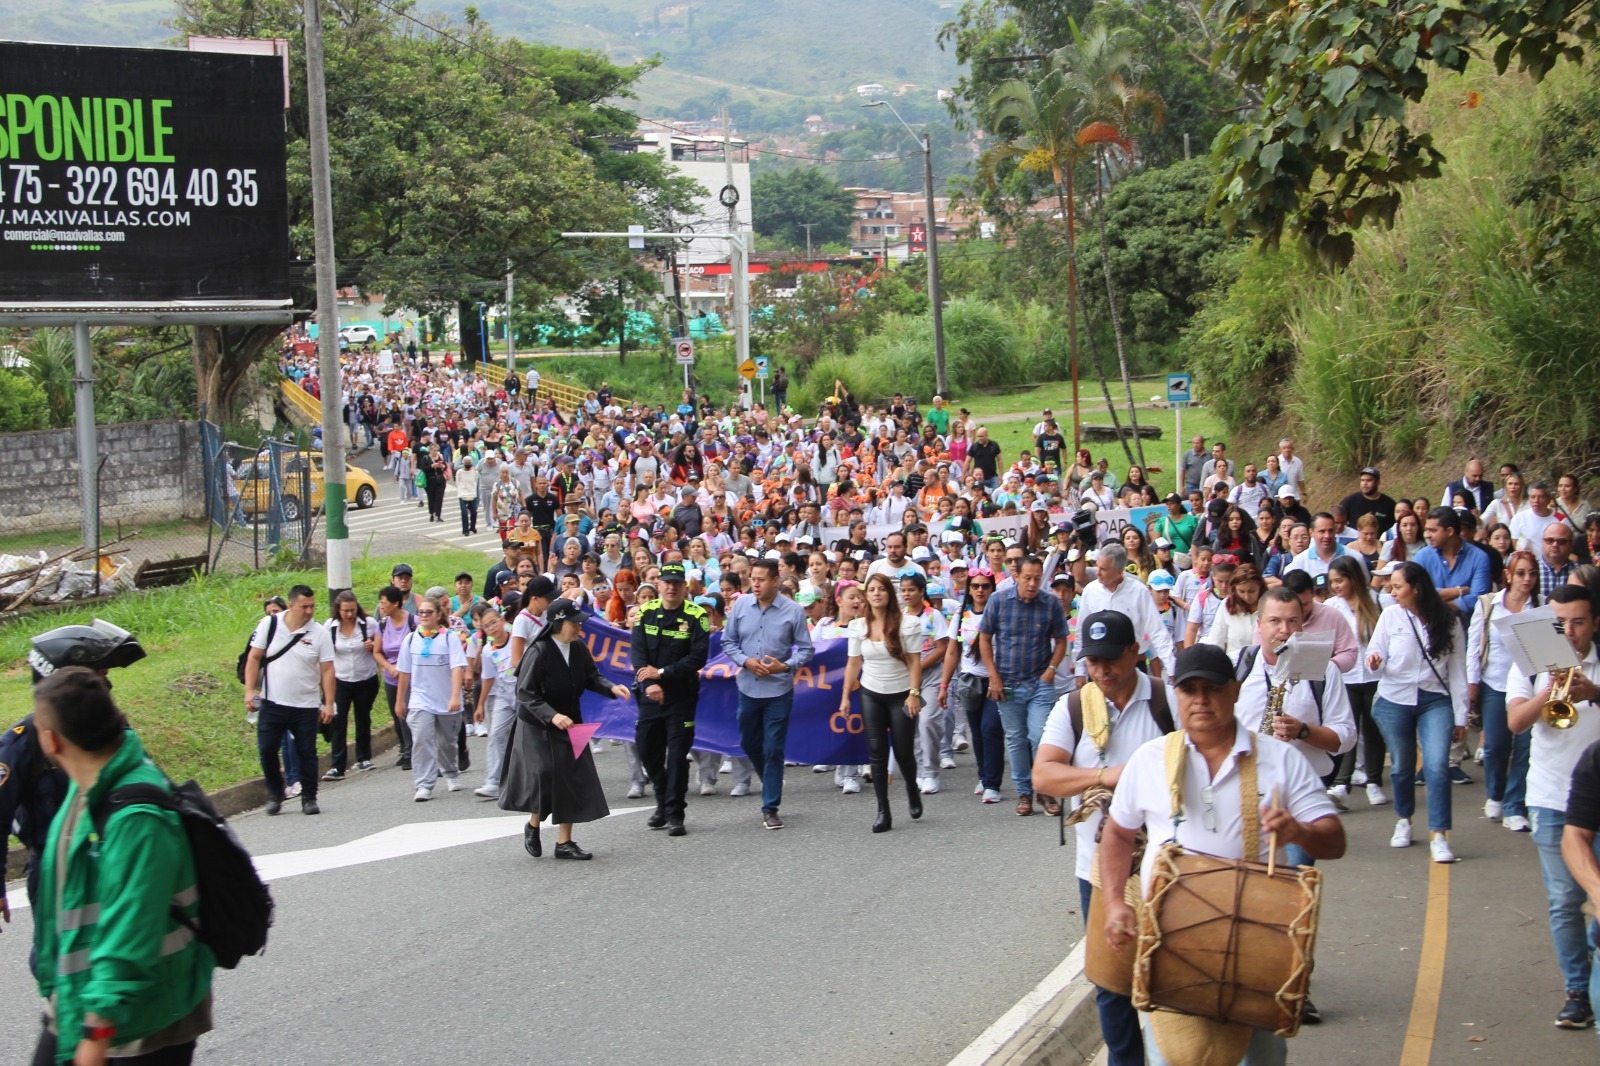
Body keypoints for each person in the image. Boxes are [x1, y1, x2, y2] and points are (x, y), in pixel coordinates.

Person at [1098, 643, 1345, 1066]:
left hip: (1257, 943)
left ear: (1234, 691)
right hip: (1170, 941)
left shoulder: (1280, 759)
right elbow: (1118, 835)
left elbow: (1334, 840)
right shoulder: (1150, 760)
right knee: (1176, 1057)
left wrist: (1297, 830)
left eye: (1211, 688)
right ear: (1177, 695)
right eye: (1189, 689)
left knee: (1258, 1059)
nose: (1200, 699)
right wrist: (1114, 903)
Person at [28, 668, 217, 1065]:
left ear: (51, 740)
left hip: (143, 1022)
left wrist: (96, 1031)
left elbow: (132, 927)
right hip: (80, 1001)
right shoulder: (85, 790)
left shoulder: (137, 817)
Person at [1034, 610, 1176, 1066]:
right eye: (1093, 661)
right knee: (1110, 983)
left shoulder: (1167, 701)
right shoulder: (1074, 707)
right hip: (1096, 869)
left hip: (1165, 865)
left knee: (1168, 972)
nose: (1102, 670)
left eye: (1111, 659)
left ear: (1136, 651)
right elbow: (1044, 774)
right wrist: (1106, 776)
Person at [2, 622, 146, 948]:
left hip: (113, 859)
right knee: (60, 959)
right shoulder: (22, 744)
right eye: (98, 680)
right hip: (58, 868)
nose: (105, 690)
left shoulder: (115, 734)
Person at [1508, 584, 1600, 1029]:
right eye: (1560, 622)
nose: (1569, 631)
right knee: (1565, 901)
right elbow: (1515, 722)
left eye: (1579, 622)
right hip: (1551, 797)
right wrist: (1551, 689)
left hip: (1596, 797)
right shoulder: (1530, 660)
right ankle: (1578, 989)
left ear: (1595, 623)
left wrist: (1594, 690)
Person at [1234, 588, 1356, 871]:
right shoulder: (1237, 665)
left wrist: (1303, 731)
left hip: (1300, 792)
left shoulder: (1324, 669)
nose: (1284, 630)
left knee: (1289, 883)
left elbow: (1346, 737)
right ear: (1259, 624)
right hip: (1245, 790)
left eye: (1293, 621)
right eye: (1275, 621)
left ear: (1303, 625)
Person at [500, 599, 632, 860]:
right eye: (575, 622)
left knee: (571, 777)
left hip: (571, 719)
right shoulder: (539, 652)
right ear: (559, 623)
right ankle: (533, 825)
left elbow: (592, 676)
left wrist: (611, 687)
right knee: (544, 773)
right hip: (536, 724)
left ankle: (564, 843)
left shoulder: (579, 647)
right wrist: (552, 715)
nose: (580, 627)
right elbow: (525, 693)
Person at [1366, 562, 1470, 863]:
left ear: (1416, 588)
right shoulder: (1390, 615)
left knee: (1437, 764)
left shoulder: (1449, 621)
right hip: (1393, 698)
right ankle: (1404, 819)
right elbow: (1376, 652)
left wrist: (1461, 715)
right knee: (1401, 765)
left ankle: (1439, 834)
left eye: (1397, 586)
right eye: (1391, 586)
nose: (1392, 590)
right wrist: (1375, 660)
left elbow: (1458, 671)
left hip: (1433, 699)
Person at [721, 558, 816, 830]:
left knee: (774, 747)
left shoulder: (793, 611)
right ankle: (770, 779)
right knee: (749, 742)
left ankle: (770, 807)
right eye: (753, 578)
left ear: (776, 580)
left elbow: (806, 649)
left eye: (762, 579)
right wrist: (745, 661)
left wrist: (785, 666)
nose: (756, 584)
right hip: (748, 687)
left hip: (779, 689)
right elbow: (728, 641)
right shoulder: (740, 605)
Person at [979, 555, 1070, 817]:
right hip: (1006, 681)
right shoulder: (998, 600)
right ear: (1016, 576)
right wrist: (993, 677)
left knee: (1040, 736)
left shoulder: (1050, 603)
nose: (1032, 584)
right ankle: (1024, 792)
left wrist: (1051, 670)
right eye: (1027, 577)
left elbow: (1062, 640)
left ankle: (1045, 789)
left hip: (1039, 681)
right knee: (1016, 739)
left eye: (1037, 578)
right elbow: (984, 639)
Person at [840, 574, 929, 832]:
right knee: (876, 754)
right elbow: (853, 663)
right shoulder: (858, 626)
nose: (876, 593)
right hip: (871, 693)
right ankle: (883, 811)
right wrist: (846, 695)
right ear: (866, 595)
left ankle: (912, 788)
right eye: (872, 590)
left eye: (882, 589)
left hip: (901, 693)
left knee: (903, 752)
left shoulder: (907, 624)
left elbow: (914, 661)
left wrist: (914, 693)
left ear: (890, 594)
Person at [631, 562, 712, 836]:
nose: (671, 586)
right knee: (645, 750)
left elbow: (697, 658)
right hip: (650, 697)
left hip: (681, 697)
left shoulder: (697, 616)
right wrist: (651, 683)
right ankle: (663, 800)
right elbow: (638, 654)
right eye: (667, 581)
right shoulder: (645, 612)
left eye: (677, 582)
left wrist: (662, 674)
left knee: (677, 756)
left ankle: (675, 813)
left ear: (684, 586)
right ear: (659, 584)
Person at [242, 585, 335, 816]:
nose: (309, 611)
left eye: (312, 606)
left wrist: (329, 702)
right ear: (291, 605)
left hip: (305, 705)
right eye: (304, 606)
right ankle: (275, 793)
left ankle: (309, 797)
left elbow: (327, 671)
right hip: (273, 701)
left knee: (307, 752)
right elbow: (254, 657)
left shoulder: (319, 634)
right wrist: (249, 689)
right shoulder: (269, 625)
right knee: (267, 749)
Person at [1467, 550, 1539, 832]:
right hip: (1496, 683)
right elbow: (1475, 645)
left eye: (1532, 573)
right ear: (1509, 574)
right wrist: (1472, 684)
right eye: (1521, 573)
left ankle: (1514, 804)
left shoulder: (1541, 606)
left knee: (1524, 747)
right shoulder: (1489, 605)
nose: (1526, 579)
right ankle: (1495, 792)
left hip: (1529, 686)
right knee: (1496, 745)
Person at [1326, 555, 1390, 809]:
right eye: (1332, 582)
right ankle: (1342, 782)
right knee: (1347, 729)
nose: (1336, 586)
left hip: (1374, 676)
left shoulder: (1376, 601)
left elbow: (1385, 638)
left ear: (1353, 578)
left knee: (1374, 730)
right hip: (1346, 677)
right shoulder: (1332, 607)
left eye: (1340, 580)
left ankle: (1374, 780)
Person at [940, 566, 1006, 803]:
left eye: (985, 586)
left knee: (991, 729)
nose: (980, 590)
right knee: (977, 732)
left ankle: (992, 783)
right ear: (969, 588)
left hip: (995, 679)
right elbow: (951, 651)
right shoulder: (960, 614)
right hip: (969, 680)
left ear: (992, 589)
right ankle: (983, 775)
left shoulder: (1000, 611)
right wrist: (944, 685)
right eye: (975, 586)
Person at [395, 597, 469, 802]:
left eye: (429, 612)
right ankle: (424, 783)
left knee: (447, 743)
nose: (424, 615)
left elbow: (457, 668)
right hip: (420, 700)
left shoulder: (449, 638)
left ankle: (451, 772)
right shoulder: (410, 640)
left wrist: (455, 695)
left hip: (446, 701)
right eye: (421, 612)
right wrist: (400, 700)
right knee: (421, 739)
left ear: (438, 615)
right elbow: (404, 672)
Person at [1077, 544, 1177, 677]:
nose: (1097, 573)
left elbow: (1157, 631)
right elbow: (1081, 632)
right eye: (1097, 566)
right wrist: (1080, 671)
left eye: (1103, 569)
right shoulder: (1090, 591)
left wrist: (1171, 669)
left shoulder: (1138, 591)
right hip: (1099, 668)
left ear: (1119, 571)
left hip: (1133, 666)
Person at [324, 591, 379, 779]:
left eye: (352, 610)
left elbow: (382, 647)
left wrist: (373, 647)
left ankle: (364, 757)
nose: (349, 614)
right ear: (338, 610)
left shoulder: (369, 624)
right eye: (345, 611)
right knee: (339, 721)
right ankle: (337, 765)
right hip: (341, 679)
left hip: (365, 678)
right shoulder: (330, 628)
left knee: (362, 717)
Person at [471, 603, 516, 801]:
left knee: (531, 736)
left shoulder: (517, 639)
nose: (492, 628)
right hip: (503, 695)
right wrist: (480, 705)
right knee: (496, 733)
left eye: (494, 622)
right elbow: (487, 679)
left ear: (503, 620)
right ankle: (493, 781)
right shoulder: (489, 650)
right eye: (487, 626)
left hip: (525, 691)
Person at [1412, 506, 1492, 618]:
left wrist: (1435, 603)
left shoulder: (1479, 558)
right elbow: (1417, 593)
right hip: (1431, 627)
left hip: (1468, 629)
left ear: (1449, 531)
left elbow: (1478, 600)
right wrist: (1458, 591)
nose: (1427, 535)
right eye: (1426, 530)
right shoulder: (1422, 556)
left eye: (1433, 530)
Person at [373, 585, 416, 770]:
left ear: (395, 603)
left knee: (410, 713)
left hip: (411, 677)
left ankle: (413, 752)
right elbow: (377, 652)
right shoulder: (382, 625)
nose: (381, 606)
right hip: (392, 677)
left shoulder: (413, 622)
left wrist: (405, 668)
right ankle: (406, 749)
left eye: (384, 602)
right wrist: (389, 667)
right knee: (397, 715)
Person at [1340, 466, 1398, 534]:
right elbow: (1337, 519)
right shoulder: (1350, 501)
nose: (1365, 483)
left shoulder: (1389, 504)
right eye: (1362, 480)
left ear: (1378, 482)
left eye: (1369, 480)